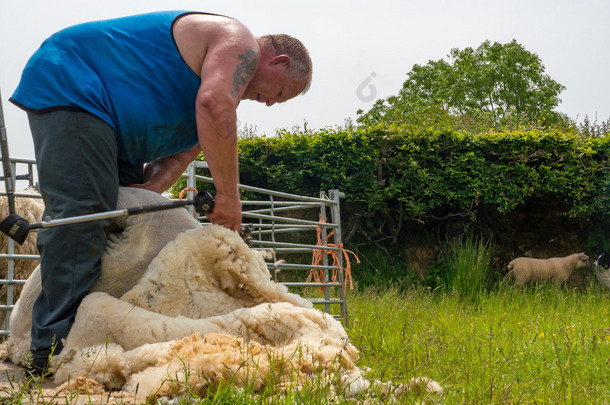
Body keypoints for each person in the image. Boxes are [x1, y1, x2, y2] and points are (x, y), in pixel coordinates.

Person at [9, 10, 312, 373]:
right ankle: (46, 350)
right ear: (278, 60)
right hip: (74, 83)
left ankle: (92, 334)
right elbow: (214, 105)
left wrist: (148, 193)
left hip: (113, 130)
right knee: (86, 215)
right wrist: (230, 199)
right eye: (279, 92)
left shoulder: (210, 97)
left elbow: (171, 165)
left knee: (116, 218)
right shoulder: (238, 41)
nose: (270, 103)